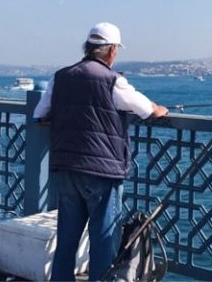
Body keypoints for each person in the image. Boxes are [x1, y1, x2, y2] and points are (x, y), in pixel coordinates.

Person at [33, 22, 169, 281]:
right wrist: (158, 109)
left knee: (67, 241)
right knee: (103, 243)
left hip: (66, 167)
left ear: (88, 48)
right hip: (102, 173)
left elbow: (39, 116)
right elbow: (145, 109)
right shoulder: (112, 81)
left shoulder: (60, 77)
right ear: (112, 51)